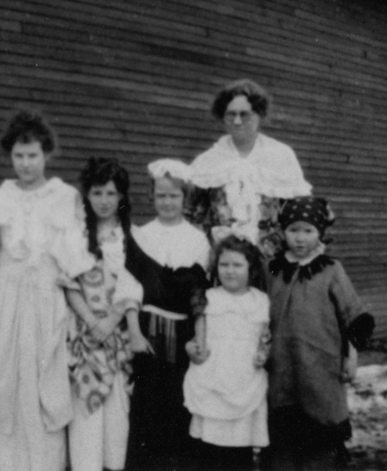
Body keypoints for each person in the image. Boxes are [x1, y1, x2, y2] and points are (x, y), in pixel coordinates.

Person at [0, 111, 94, 471]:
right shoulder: (0, 197)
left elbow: (75, 260)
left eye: (32, 155)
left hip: (45, 296)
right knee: (6, 378)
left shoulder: (63, 196)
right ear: (10, 157)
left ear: (46, 155)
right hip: (7, 298)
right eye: (18, 156)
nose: (25, 163)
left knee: (45, 378)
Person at [265, 196, 375, 470]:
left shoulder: (331, 270)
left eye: (308, 231)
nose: (300, 238)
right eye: (293, 230)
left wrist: (351, 354)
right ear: (282, 232)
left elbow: (352, 314)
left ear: (320, 233)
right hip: (281, 371)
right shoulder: (272, 270)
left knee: (319, 445)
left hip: (321, 369)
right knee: (283, 444)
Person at [65, 157, 152, 471]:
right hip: (84, 332)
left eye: (111, 193)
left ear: (122, 197)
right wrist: (92, 322)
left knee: (116, 410)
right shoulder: (74, 235)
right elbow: (68, 282)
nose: (104, 201)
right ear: (87, 196)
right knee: (86, 412)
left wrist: (112, 320)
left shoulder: (133, 238)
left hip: (117, 333)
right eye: (97, 193)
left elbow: (135, 284)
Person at [127, 158, 211, 469]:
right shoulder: (141, 235)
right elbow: (130, 290)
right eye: (161, 195)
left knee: (180, 404)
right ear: (152, 197)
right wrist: (134, 332)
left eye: (174, 196)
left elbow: (200, 298)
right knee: (147, 407)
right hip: (148, 333)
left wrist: (200, 339)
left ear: (185, 198)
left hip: (183, 336)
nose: (167, 202)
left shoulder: (197, 240)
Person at [189, 79, 312, 256]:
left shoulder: (281, 154)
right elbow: (193, 217)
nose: (237, 121)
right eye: (230, 114)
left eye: (244, 114)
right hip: (225, 261)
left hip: (273, 261)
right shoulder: (207, 160)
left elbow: (301, 215)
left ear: (259, 115)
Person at [183, 235, 270, 470]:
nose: (230, 271)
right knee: (210, 448)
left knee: (240, 448)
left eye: (237, 265)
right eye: (224, 265)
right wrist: (191, 347)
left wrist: (265, 352)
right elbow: (196, 337)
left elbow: (265, 336)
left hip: (244, 380)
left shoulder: (260, 300)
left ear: (250, 269)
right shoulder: (209, 299)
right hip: (213, 378)